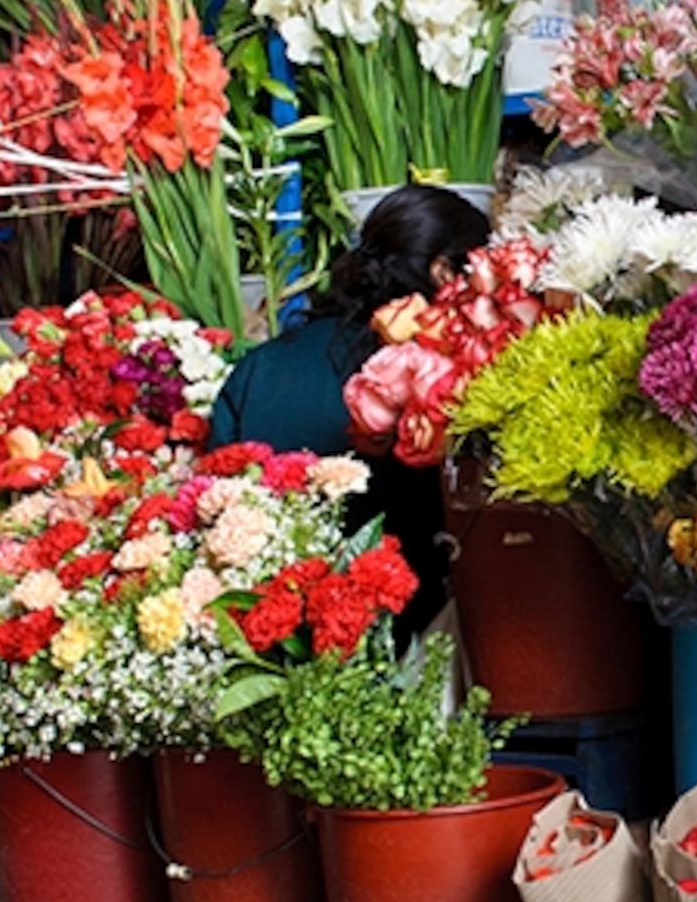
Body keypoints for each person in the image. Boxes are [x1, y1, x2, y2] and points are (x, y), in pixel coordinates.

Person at [207, 184, 491, 631]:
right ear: (443, 273)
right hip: (407, 640)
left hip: (264, 632)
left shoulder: (260, 367)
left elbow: (214, 495)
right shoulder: (444, 382)